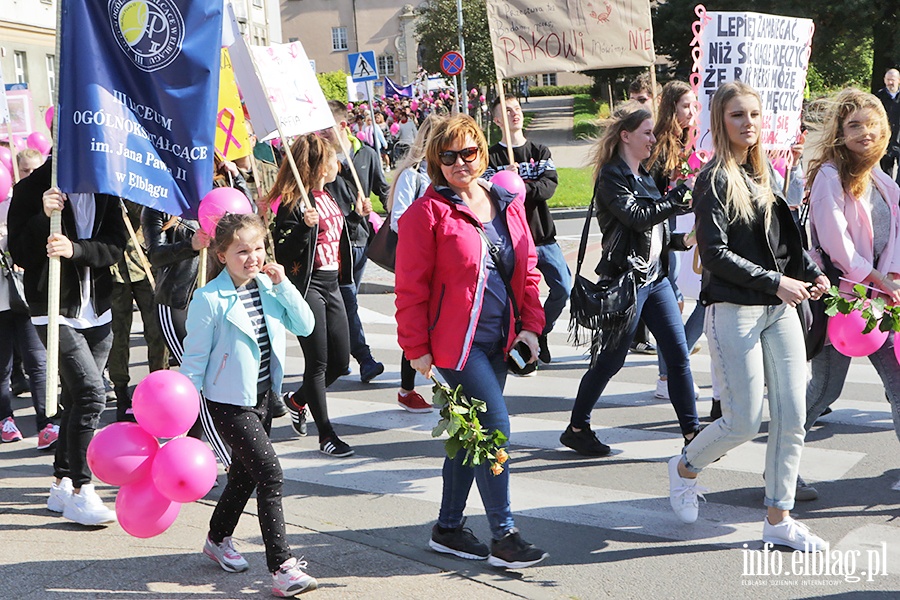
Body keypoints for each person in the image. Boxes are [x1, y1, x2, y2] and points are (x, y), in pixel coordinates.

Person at [667, 82, 829, 552]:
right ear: (721, 121)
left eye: (755, 115)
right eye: (738, 115)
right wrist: (776, 282)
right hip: (735, 309)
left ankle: (779, 519)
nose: (749, 123)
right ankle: (684, 468)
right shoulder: (713, 179)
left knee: (792, 416)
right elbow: (714, 253)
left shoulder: (766, 175)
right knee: (741, 421)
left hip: (779, 310)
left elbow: (785, 246)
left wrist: (811, 272)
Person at [395, 114, 548, 568]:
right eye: (449, 156)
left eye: (469, 152)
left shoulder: (505, 200)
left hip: (501, 340)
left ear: (482, 151)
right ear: (435, 160)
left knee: (469, 436)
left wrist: (532, 326)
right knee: (494, 428)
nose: (461, 162)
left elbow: (529, 267)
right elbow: (411, 287)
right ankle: (505, 533)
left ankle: (447, 527)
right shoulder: (425, 214)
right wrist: (414, 347)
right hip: (456, 347)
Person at [180, 213, 318, 597]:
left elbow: (305, 325)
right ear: (222, 255)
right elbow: (193, 363)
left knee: (244, 477)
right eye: (242, 251)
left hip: (262, 399)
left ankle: (217, 538)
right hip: (227, 404)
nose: (252, 257)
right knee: (270, 475)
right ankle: (282, 567)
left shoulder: (269, 289)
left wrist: (284, 284)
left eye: (258, 248)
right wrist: (185, 421)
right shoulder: (209, 299)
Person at [560, 102, 700, 457]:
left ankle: (692, 434)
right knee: (609, 361)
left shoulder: (645, 176)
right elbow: (636, 217)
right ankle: (577, 427)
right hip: (626, 282)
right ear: (626, 136)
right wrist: (674, 199)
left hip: (655, 279)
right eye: (647, 133)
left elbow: (658, 233)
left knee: (678, 355)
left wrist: (687, 238)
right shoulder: (611, 175)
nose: (654, 139)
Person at [8, 158, 126, 526]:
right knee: (93, 394)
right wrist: (44, 218)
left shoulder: (107, 187)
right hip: (53, 308)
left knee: (77, 398)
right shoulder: (32, 188)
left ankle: (60, 481)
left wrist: (75, 250)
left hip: (98, 310)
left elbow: (115, 246)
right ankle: (81, 489)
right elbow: (21, 253)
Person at [800, 88, 900, 499]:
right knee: (825, 390)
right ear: (841, 131)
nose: (865, 132)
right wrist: (877, 276)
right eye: (855, 124)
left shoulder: (881, 177)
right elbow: (836, 245)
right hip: (841, 298)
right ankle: (780, 467)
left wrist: (890, 276)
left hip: (881, 297)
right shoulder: (828, 175)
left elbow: (894, 232)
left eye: (872, 124)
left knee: (898, 382)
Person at [272, 133, 356, 457]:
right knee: (318, 363)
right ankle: (326, 435)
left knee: (341, 361)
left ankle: (297, 400)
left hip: (334, 285)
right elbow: (283, 249)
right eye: (333, 158)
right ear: (319, 166)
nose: (337, 163)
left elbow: (339, 238)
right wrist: (306, 228)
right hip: (308, 288)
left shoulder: (329, 195)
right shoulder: (294, 204)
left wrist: (361, 216)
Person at [142, 207, 233, 467]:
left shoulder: (211, 197)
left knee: (208, 382)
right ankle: (228, 459)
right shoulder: (158, 206)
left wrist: (236, 177)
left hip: (211, 303)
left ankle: (184, 455)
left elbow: (243, 214)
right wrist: (190, 244)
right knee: (200, 381)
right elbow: (155, 255)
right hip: (177, 303)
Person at [486, 95, 570, 364]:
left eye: (517, 109)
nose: (514, 114)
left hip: (543, 236)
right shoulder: (491, 156)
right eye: (507, 111)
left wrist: (519, 184)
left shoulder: (540, 151)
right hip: (514, 242)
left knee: (563, 288)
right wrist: (504, 184)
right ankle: (522, 341)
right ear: (497, 120)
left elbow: (549, 187)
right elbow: (489, 194)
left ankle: (542, 330)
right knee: (519, 296)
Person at [646, 81, 704, 404]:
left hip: (684, 230)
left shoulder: (688, 142)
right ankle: (669, 375)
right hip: (665, 232)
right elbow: (654, 194)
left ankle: (668, 373)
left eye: (694, 106)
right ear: (670, 107)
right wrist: (680, 188)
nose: (691, 112)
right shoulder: (660, 145)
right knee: (671, 302)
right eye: (686, 106)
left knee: (678, 300)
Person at [324, 100, 388, 384]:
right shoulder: (319, 159)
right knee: (347, 301)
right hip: (333, 244)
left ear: (342, 126)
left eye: (325, 131)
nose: (320, 137)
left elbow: (382, 190)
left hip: (361, 241)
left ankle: (335, 355)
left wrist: (385, 209)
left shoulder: (367, 155)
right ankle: (364, 358)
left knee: (342, 304)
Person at [387, 115, 444, 412]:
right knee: (419, 324)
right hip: (420, 260)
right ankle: (407, 389)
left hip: (445, 260)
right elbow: (399, 220)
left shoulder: (445, 174)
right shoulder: (414, 174)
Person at [0, 172, 53, 448]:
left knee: (38, 360)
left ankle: (47, 423)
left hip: (23, 296)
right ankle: (5, 419)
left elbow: (25, 243)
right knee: (3, 366)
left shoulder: (14, 202)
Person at [108, 199, 168, 421]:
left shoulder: (136, 176)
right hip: (112, 265)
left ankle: (159, 388)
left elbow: (148, 212)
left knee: (157, 330)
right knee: (118, 335)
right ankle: (121, 393)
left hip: (143, 261)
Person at [875, 68, 900, 182]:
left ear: (898, 80)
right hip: (885, 140)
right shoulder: (878, 97)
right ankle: (890, 196)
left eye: (893, 80)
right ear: (884, 80)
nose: (890, 82)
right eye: (888, 80)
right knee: (886, 172)